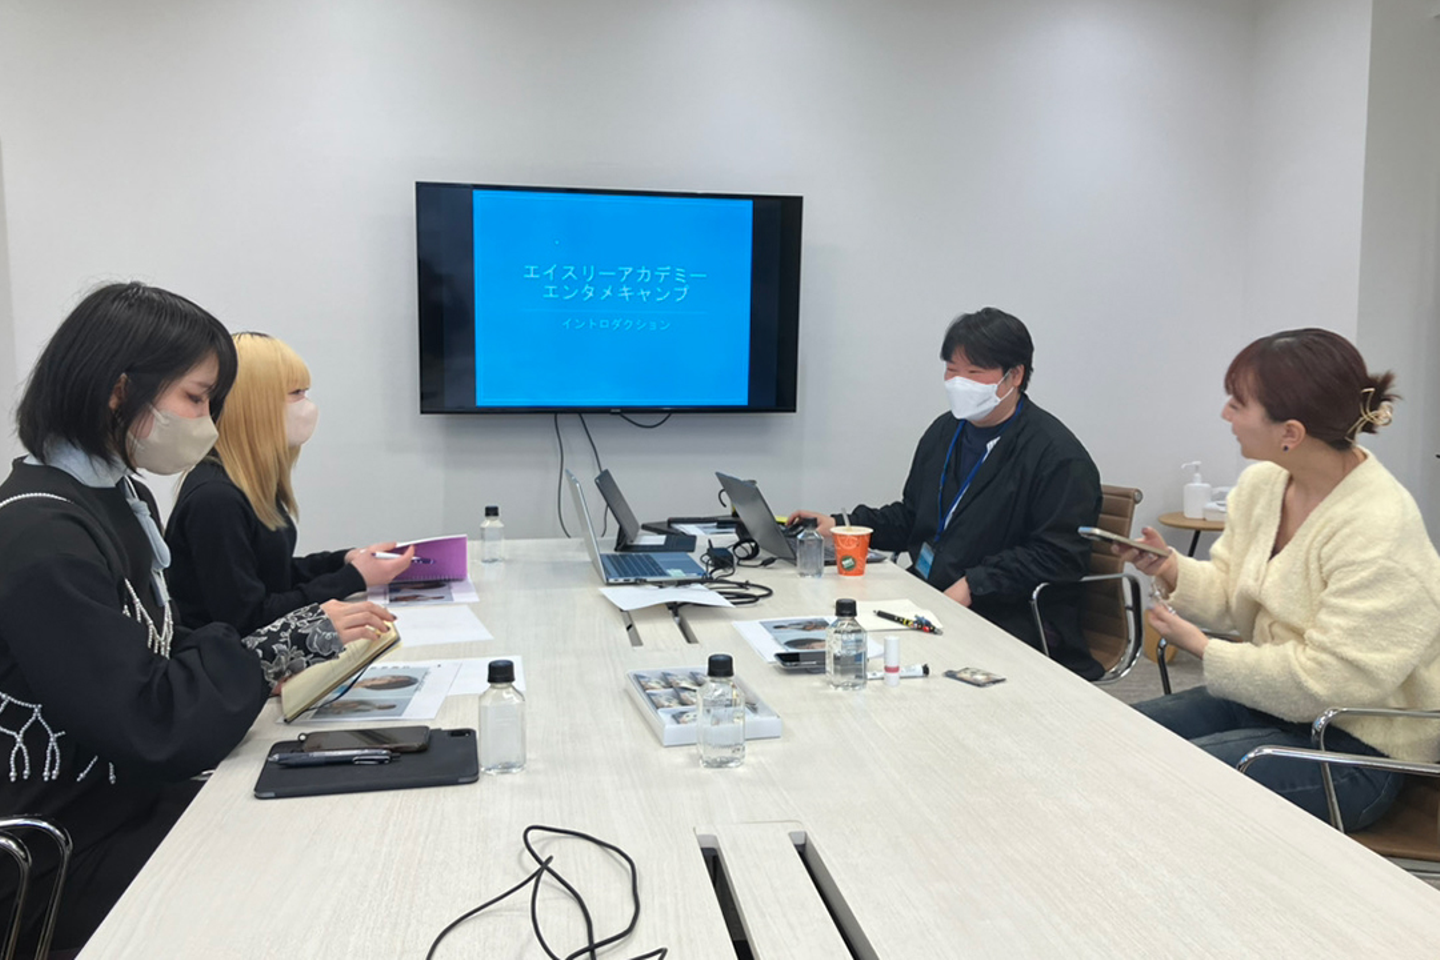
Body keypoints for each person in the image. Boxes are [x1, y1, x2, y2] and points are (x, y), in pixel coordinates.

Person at [0, 283, 394, 952]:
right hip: (64, 853)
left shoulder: (115, 500)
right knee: (310, 875)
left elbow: (157, 639)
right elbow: (145, 719)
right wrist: (273, 651)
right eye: (196, 398)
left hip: (128, 803)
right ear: (120, 391)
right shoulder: (42, 537)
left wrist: (263, 656)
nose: (208, 422)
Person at [1121, 328, 1440, 830]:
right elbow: (1234, 590)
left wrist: (1204, 648)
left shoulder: (1379, 528)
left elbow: (1327, 685)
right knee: (1118, 737)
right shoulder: (1264, 484)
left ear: (1290, 432)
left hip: (1357, 749)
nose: (1225, 414)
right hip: (1272, 703)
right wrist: (1171, 568)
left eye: (1238, 403)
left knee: (1160, 780)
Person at [793, 307, 1104, 678]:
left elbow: (1060, 555)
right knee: (837, 631)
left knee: (880, 661)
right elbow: (913, 516)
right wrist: (843, 525)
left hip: (1012, 613)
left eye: (974, 373)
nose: (959, 383)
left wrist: (975, 584)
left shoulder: (1058, 456)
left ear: (1015, 375)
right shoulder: (946, 431)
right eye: (952, 370)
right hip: (933, 593)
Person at [165, 332, 412, 635]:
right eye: (296, 393)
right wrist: (352, 578)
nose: (307, 406)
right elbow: (248, 618)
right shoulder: (216, 500)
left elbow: (273, 575)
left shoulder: (245, 483)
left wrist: (343, 562)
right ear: (255, 405)